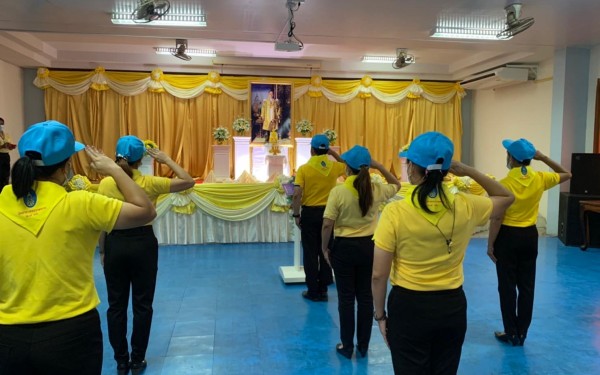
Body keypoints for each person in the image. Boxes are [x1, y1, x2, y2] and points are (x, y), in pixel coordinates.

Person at [0, 121, 156, 375]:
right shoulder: (80, 203)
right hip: (71, 334)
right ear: (66, 167)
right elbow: (145, 210)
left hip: (8, 336)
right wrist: (114, 170)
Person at [371, 131, 514, 374]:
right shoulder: (466, 205)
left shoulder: (395, 213)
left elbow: (378, 275)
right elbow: (506, 196)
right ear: (448, 170)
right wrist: (467, 169)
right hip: (451, 307)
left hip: (408, 306)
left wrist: (380, 316)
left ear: (413, 168)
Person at [97, 135, 195, 374]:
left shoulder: (105, 184)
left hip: (115, 242)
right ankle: (138, 358)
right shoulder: (150, 183)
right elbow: (188, 181)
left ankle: (121, 360)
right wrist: (166, 159)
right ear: (141, 160)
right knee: (143, 304)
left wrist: (103, 249)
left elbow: (102, 220)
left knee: (115, 306)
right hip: (143, 244)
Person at [321, 145, 400, 359]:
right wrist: (381, 167)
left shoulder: (339, 191)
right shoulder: (375, 188)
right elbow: (397, 185)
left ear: (347, 168)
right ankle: (363, 346)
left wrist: (324, 248)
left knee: (346, 299)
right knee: (366, 298)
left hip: (344, 248)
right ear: (368, 167)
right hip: (369, 247)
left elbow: (328, 224)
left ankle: (347, 346)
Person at [491, 138, 571, 346]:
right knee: (526, 286)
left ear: (511, 158)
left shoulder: (504, 184)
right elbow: (567, 174)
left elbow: (497, 217)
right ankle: (522, 332)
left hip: (507, 237)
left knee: (507, 287)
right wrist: (543, 157)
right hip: (529, 236)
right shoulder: (539, 178)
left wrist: (490, 244)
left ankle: (510, 332)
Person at [292, 134, 346, 302]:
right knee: (326, 250)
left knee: (310, 253)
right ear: (327, 150)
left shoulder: (304, 169)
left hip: (309, 214)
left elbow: (297, 194)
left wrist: (296, 214)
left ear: (311, 150)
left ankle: (312, 290)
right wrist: (332, 153)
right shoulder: (334, 167)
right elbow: (345, 163)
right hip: (328, 214)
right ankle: (323, 289)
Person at [0, 117, 16, 191]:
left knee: (6, 174)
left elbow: (10, 144)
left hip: (6, 156)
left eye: (2, 124)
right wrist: (3, 146)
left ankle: (5, 189)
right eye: (0, 124)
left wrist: (11, 146)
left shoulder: (6, 134)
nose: (1, 125)